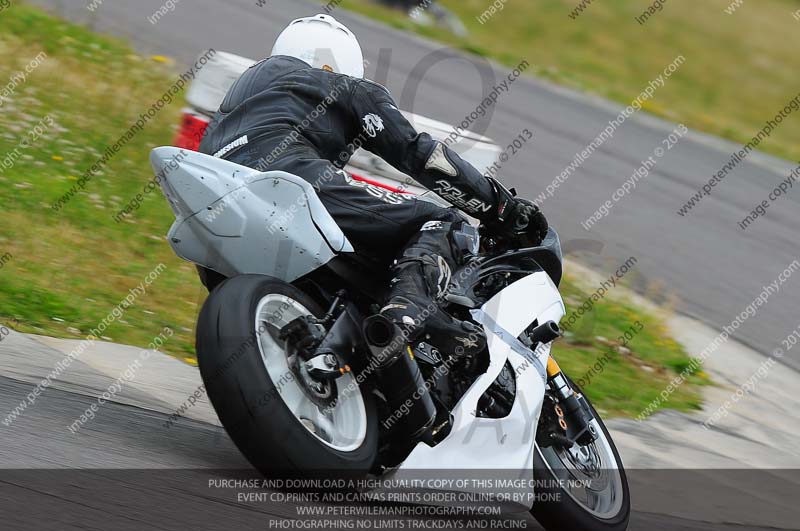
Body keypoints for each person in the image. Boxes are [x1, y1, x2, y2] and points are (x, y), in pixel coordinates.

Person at [199, 14, 547, 355]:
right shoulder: (343, 86)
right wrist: (500, 207)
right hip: (288, 180)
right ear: (339, 66)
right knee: (442, 223)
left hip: (219, 213)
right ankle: (404, 318)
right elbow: (420, 155)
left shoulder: (237, 98)